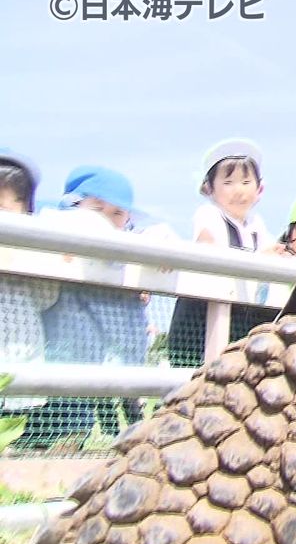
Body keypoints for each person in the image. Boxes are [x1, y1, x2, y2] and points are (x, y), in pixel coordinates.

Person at [39, 167, 149, 443]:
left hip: (102, 363)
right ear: (75, 205)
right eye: (97, 209)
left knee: (80, 432)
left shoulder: (132, 250)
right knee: (55, 431)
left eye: (117, 213)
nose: (106, 221)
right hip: (58, 358)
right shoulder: (55, 227)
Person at [167, 138, 280, 368]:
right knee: (193, 375)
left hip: (241, 317)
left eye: (246, 181)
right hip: (200, 318)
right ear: (209, 188)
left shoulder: (257, 226)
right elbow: (208, 244)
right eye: (228, 182)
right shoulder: (209, 215)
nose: (238, 190)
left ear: (259, 188)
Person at [0, 150, 59, 448]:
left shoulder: (33, 248)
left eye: (16, 202)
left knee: (17, 429)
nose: (7, 211)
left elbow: (46, 298)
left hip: (22, 344)